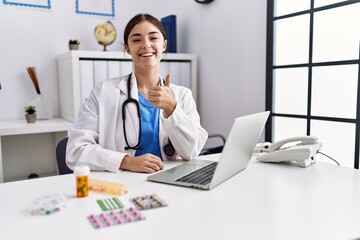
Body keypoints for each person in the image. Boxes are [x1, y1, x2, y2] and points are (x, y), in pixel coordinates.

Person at [66, 13, 208, 173]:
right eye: (136, 39)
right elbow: (75, 151)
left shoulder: (182, 95)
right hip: (122, 183)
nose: (146, 45)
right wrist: (126, 161)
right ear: (127, 48)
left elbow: (192, 151)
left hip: (170, 181)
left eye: (153, 38)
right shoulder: (104, 92)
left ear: (164, 45)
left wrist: (172, 108)